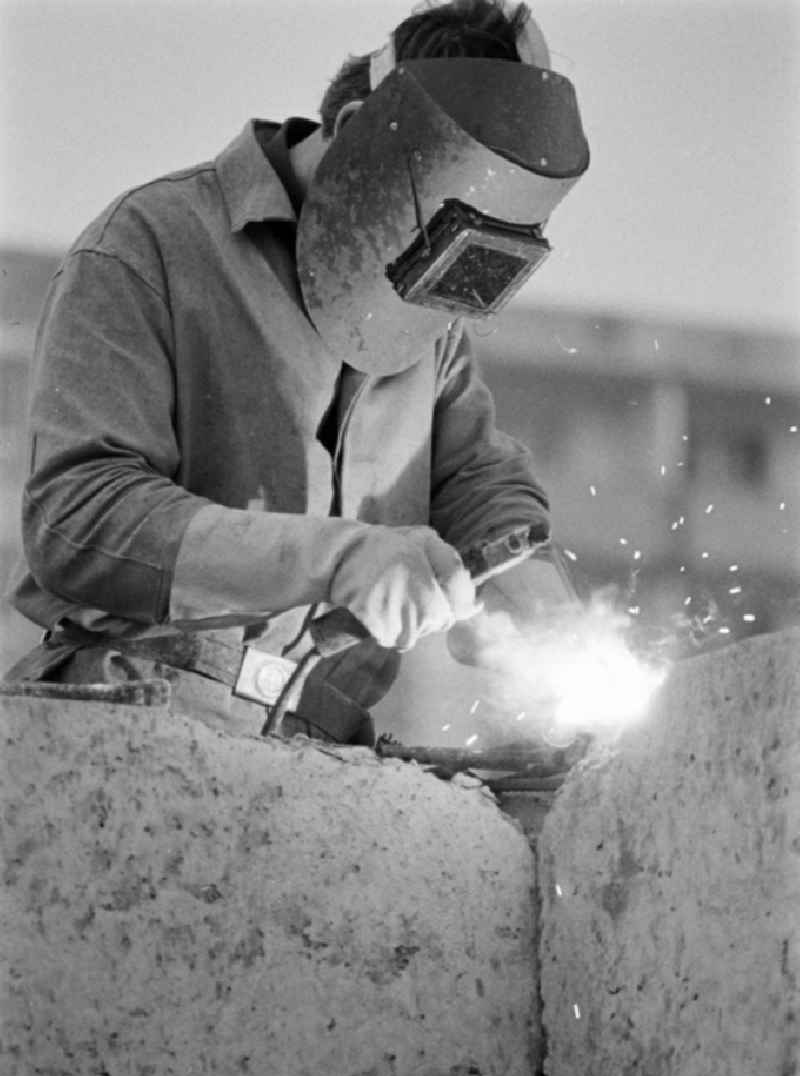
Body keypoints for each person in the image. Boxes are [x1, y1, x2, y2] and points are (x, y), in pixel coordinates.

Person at [5, 0, 590, 746]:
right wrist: (335, 558)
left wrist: (528, 582)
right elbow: (79, 521)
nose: (421, 295)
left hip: (321, 747)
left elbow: (476, 482)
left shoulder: (424, 318)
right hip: (130, 722)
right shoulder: (152, 246)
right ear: (354, 137)